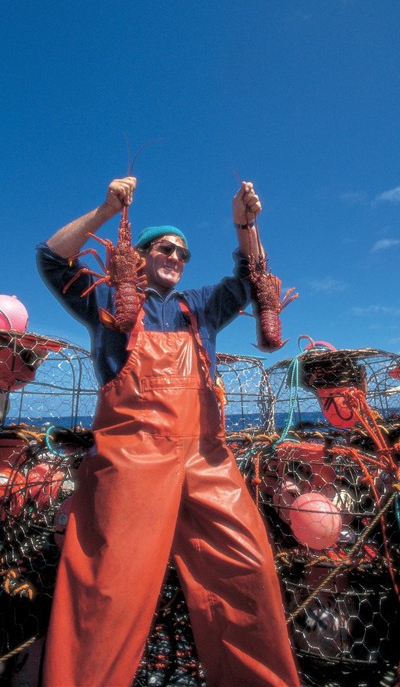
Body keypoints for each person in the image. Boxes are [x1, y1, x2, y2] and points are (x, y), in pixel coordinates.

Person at [36, 176, 300, 687]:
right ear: (138, 255)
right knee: (109, 589)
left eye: (183, 252)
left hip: (207, 456)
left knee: (250, 569)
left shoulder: (199, 306)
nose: (176, 256)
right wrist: (106, 210)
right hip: (130, 459)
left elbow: (252, 278)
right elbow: (51, 259)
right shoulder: (105, 296)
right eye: (165, 247)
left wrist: (245, 226)